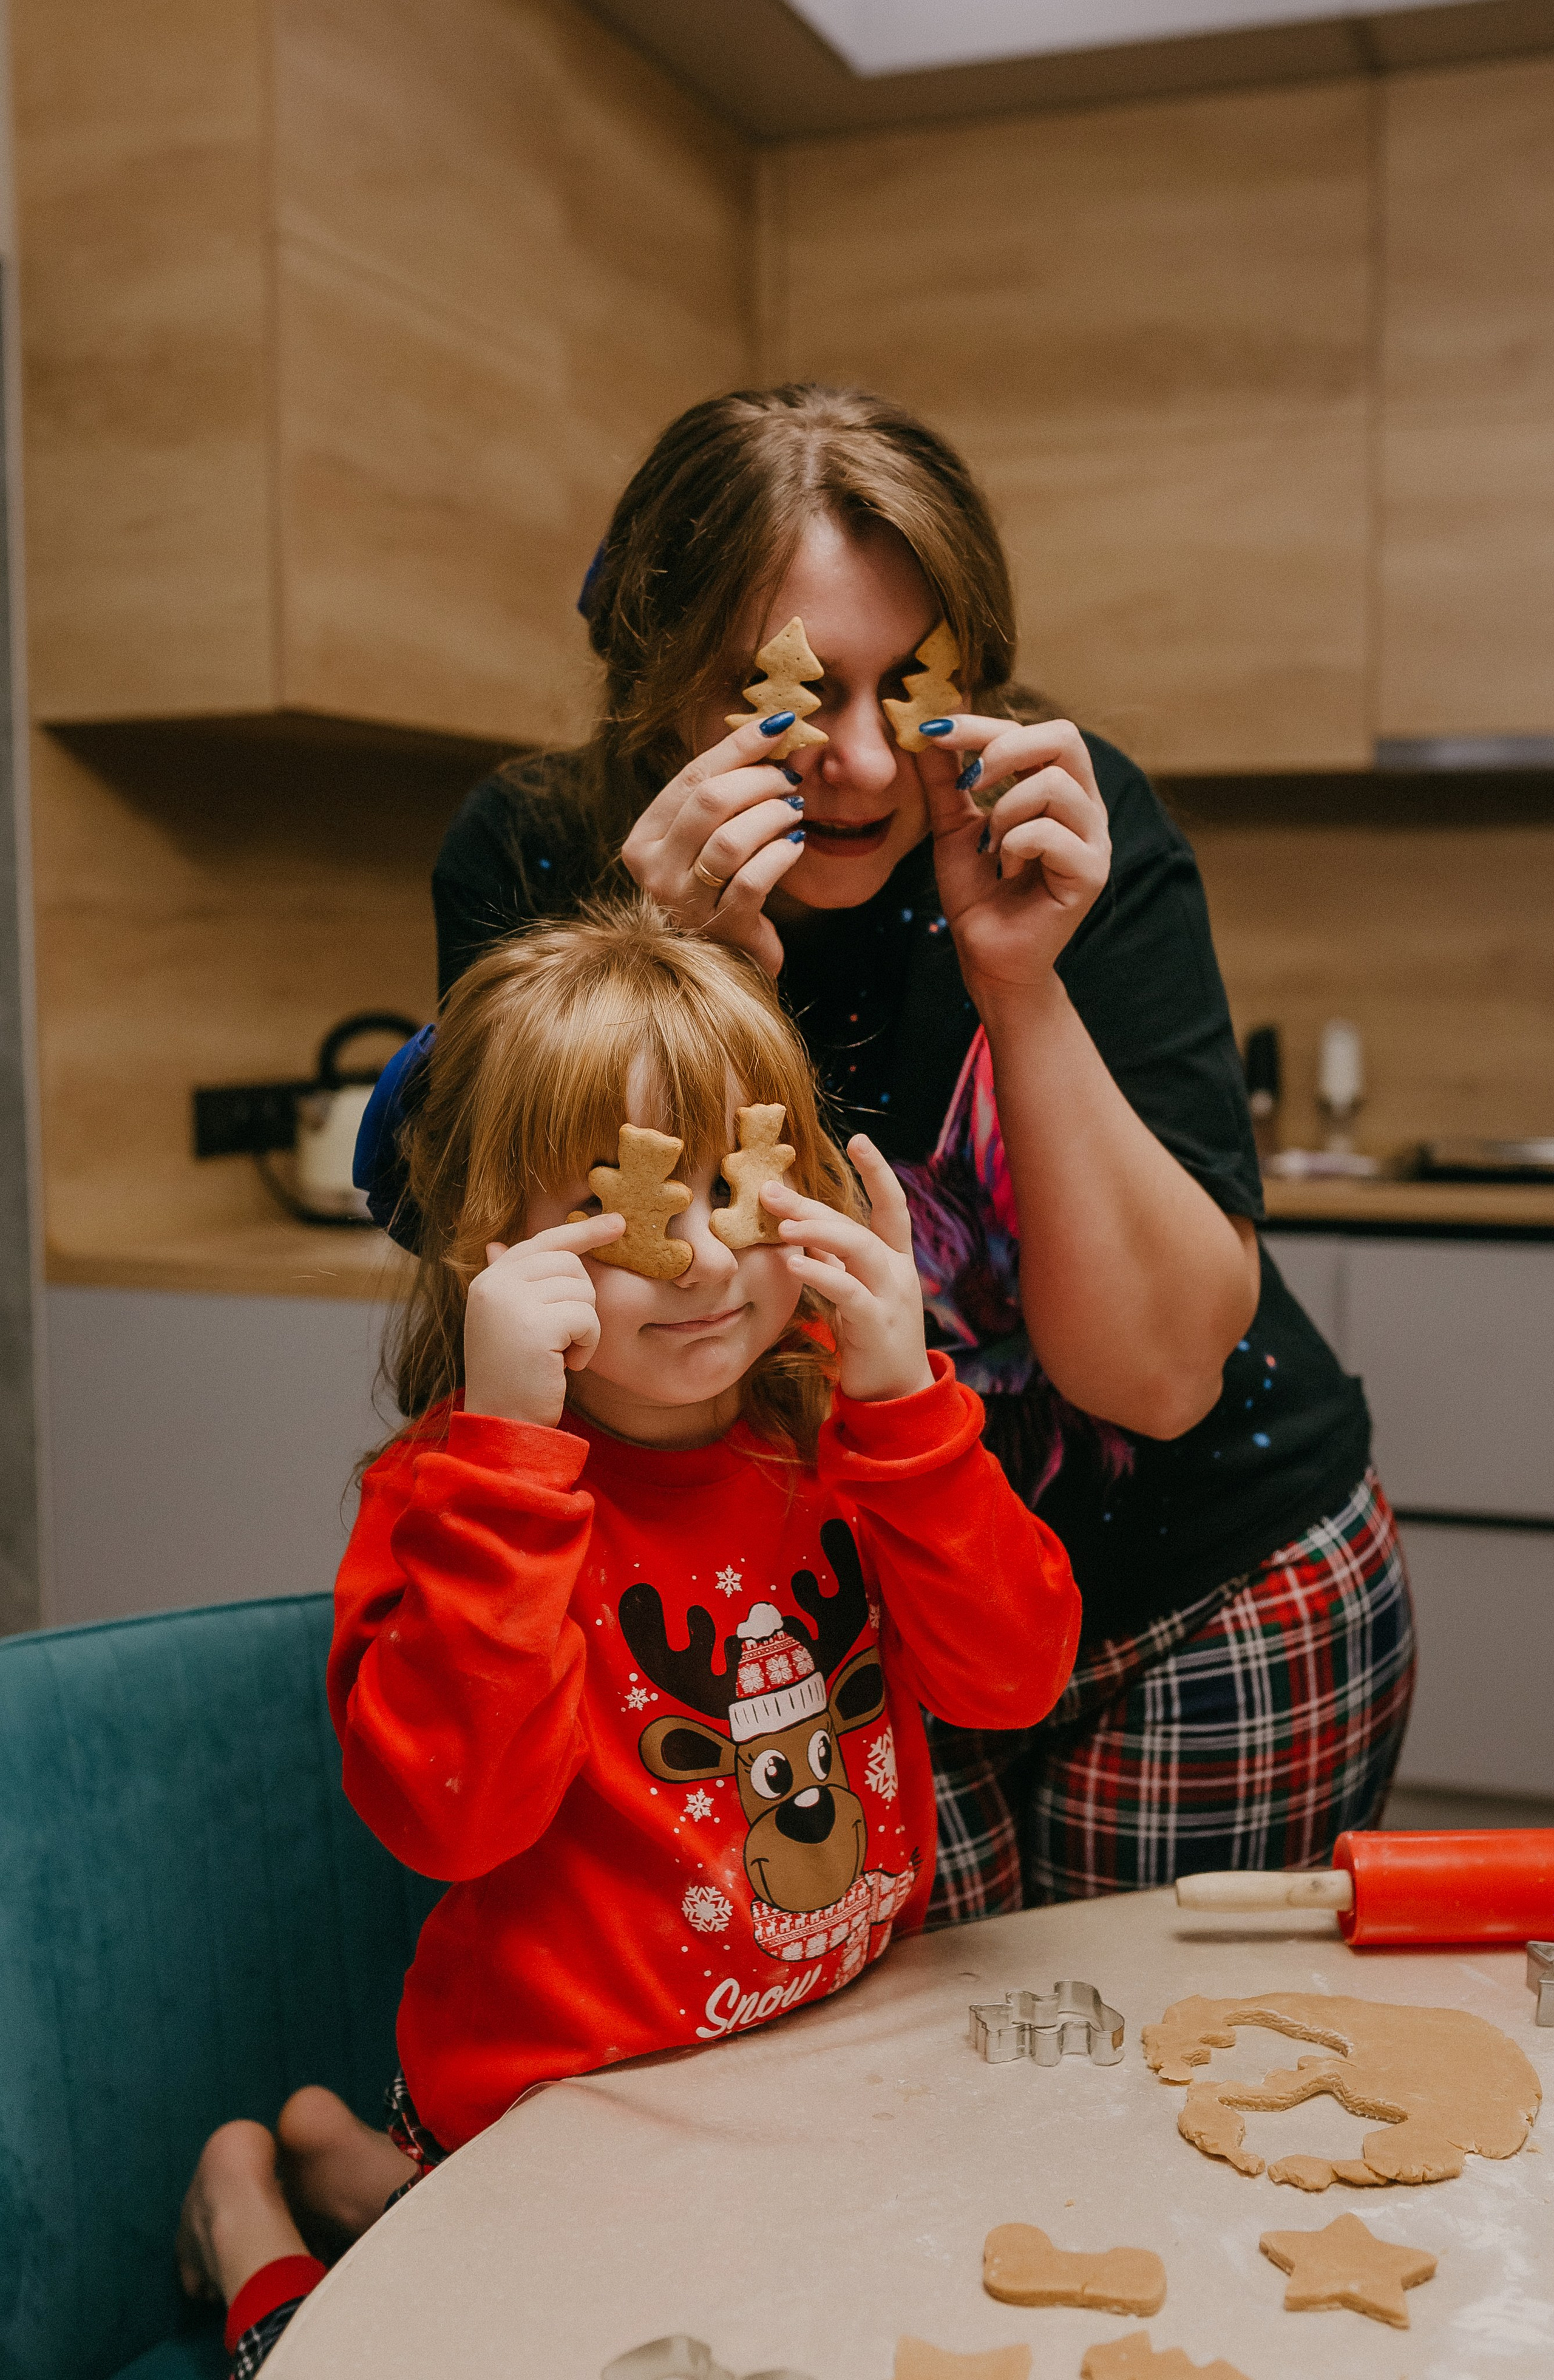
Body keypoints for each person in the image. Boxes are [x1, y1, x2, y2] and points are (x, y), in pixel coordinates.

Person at [425, 382, 1416, 1925]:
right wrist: (671, 977)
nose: (867, 764)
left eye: (908, 688)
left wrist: (1015, 972)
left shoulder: (1061, 823)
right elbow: (557, 1325)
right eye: (794, 693)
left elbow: (1151, 1378)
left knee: (1140, 2105)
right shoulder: (536, 853)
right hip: (818, 1622)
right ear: (661, 678)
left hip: (1212, 1587)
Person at [177, 901, 1081, 2373]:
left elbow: (1014, 1674)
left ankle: (355, 2167)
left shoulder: (844, 1432)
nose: (705, 1260)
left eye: (747, 1186)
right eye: (631, 1209)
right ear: (493, 1250)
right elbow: (454, 1822)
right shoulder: (454, 1498)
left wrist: (910, 1402)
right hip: (557, 2117)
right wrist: (511, 1465)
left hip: (809, 2075)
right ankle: (249, 2220)